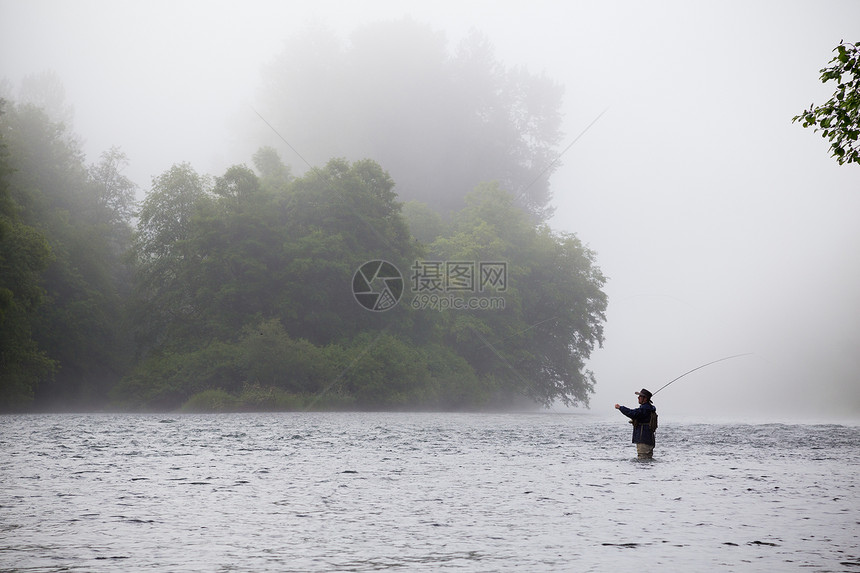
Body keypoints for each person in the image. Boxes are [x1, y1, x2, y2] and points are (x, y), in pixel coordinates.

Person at [614, 389, 656, 459]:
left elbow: (633, 413)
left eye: (640, 396)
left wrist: (620, 408)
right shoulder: (649, 408)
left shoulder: (645, 409)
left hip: (643, 440)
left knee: (642, 462)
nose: (638, 397)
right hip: (649, 440)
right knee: (647, 461)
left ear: (645, 398)